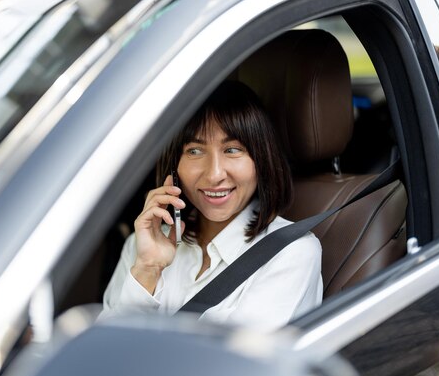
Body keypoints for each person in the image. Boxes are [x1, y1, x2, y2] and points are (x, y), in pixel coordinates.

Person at [101, 81, 323, 332]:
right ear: (174, 168)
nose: (215, 174)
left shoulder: (291, 253)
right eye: (195, 151)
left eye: (232, 150)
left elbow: (231, 368)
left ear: (260, 160)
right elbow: (98, 355)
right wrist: (148, 269)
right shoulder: (143, 246)